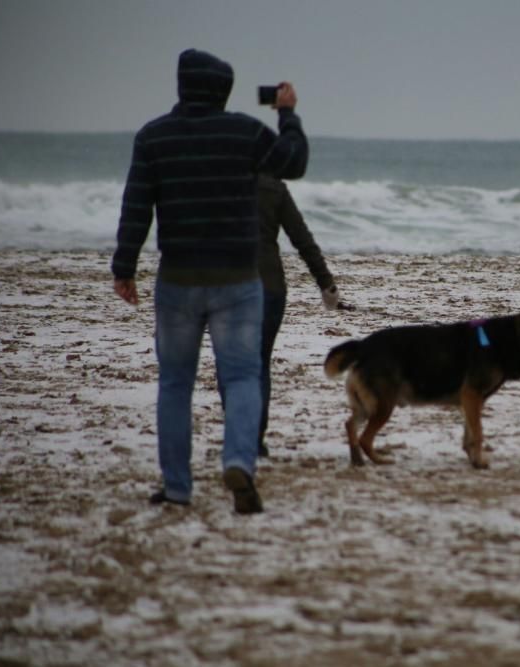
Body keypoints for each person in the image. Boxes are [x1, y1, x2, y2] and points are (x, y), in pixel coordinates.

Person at [110, 48, 308, 514]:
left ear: (183, 87)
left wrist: (124, 267)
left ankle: (177, 487)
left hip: (178, 278)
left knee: (176, 383)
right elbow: (293, 163)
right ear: (224, 90)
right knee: (241, 376)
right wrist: (288, 115)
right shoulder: (245, 131)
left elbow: (136, 206)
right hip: (238, 279)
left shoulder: (153, 137)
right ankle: (239, 461)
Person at [218, 174, 347, 458]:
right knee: (259, 363)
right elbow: (302, 239)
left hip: (228, 286)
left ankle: (238, 434)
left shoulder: (218, 181)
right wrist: (325, 282)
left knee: (230, 363)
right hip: (269, 287)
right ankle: (254, 439)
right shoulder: (273, 188)